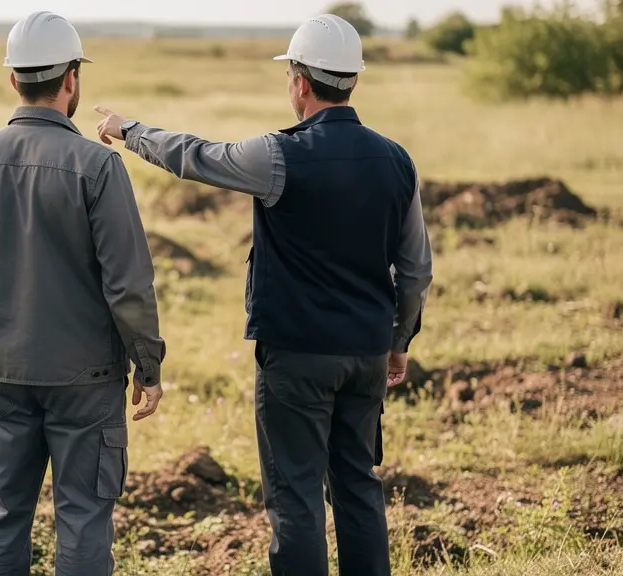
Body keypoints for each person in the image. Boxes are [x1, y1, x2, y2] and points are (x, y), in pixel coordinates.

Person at [94, 14, 432, 576]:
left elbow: (196, 156)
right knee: (359, 487)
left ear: (300, 81)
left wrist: (130, 131)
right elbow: (416, 269)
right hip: (368, 353)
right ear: (353, 80)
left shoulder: (279, 156)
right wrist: (399, 339)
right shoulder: (398, 160)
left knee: (296, 498)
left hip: (296, 356)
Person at [0, 11, 166, 576]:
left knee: (3, 511)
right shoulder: (100, 165)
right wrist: (149, 366)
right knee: (84, 517)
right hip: (87, 382)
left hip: (2, 373)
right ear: (71, 80)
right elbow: (128, 284)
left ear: (14, 80)